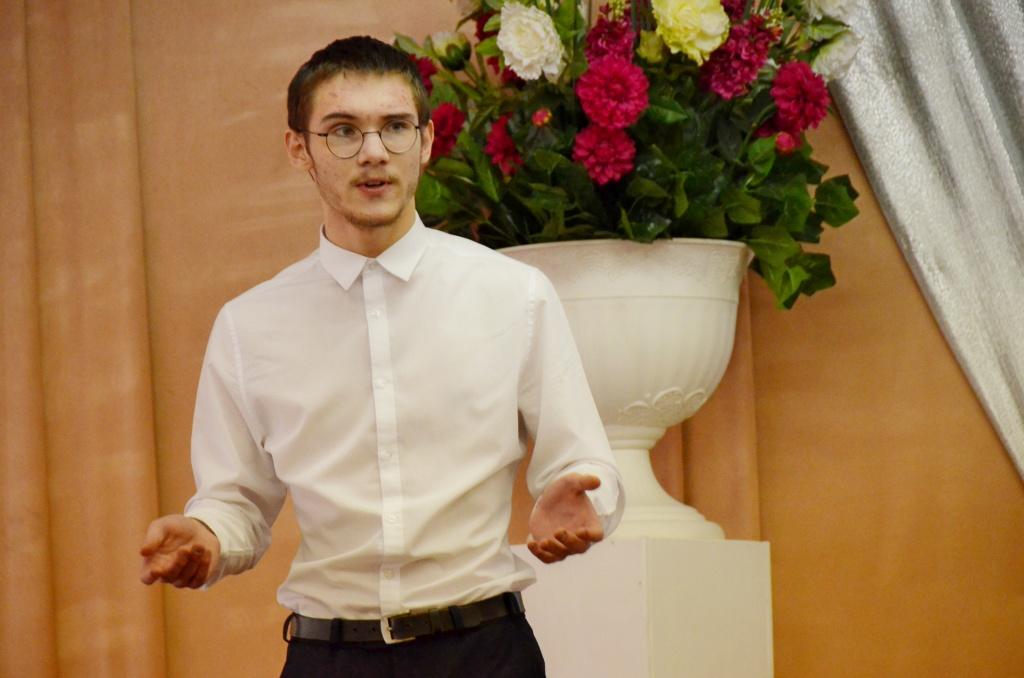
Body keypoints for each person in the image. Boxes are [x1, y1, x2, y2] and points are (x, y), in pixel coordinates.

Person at [139, 35, 623, 677]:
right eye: (343, 131)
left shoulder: (514, 294)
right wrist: (206, 536)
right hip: (329, 657)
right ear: (299, 148)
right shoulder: (249, 326)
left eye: (395, 127)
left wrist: (584, 499)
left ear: (425, 141)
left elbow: (582, 462)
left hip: (484, 652)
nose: (373, 152)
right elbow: (237, 503)